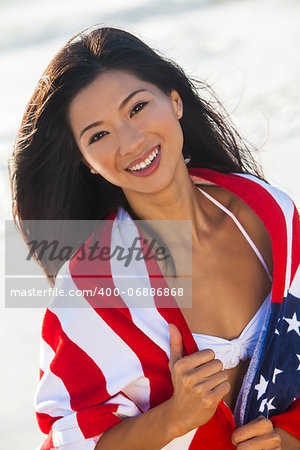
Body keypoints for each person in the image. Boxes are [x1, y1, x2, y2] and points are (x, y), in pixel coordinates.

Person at [9, 26, 300, 449]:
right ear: (87, 162)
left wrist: (290, 436)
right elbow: (69, 441)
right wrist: (174, 418)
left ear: (175, 101)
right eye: (98, 135)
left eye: (138, 107)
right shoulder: (91, 286)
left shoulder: (271, 214)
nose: (130, 142)